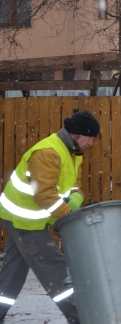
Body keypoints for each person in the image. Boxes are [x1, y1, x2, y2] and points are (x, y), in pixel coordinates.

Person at [0, 110, 100, 324]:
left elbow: (70, 185)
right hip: (25, 220)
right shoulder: (48, 152)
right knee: (55, 271)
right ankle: (82, 317)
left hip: (25, 217)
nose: (91, 144)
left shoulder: (71, 152)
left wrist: (75, 196)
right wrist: (68, 218)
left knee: (13, 272)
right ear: (76, 134)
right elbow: (44, 195)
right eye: (89, 138)